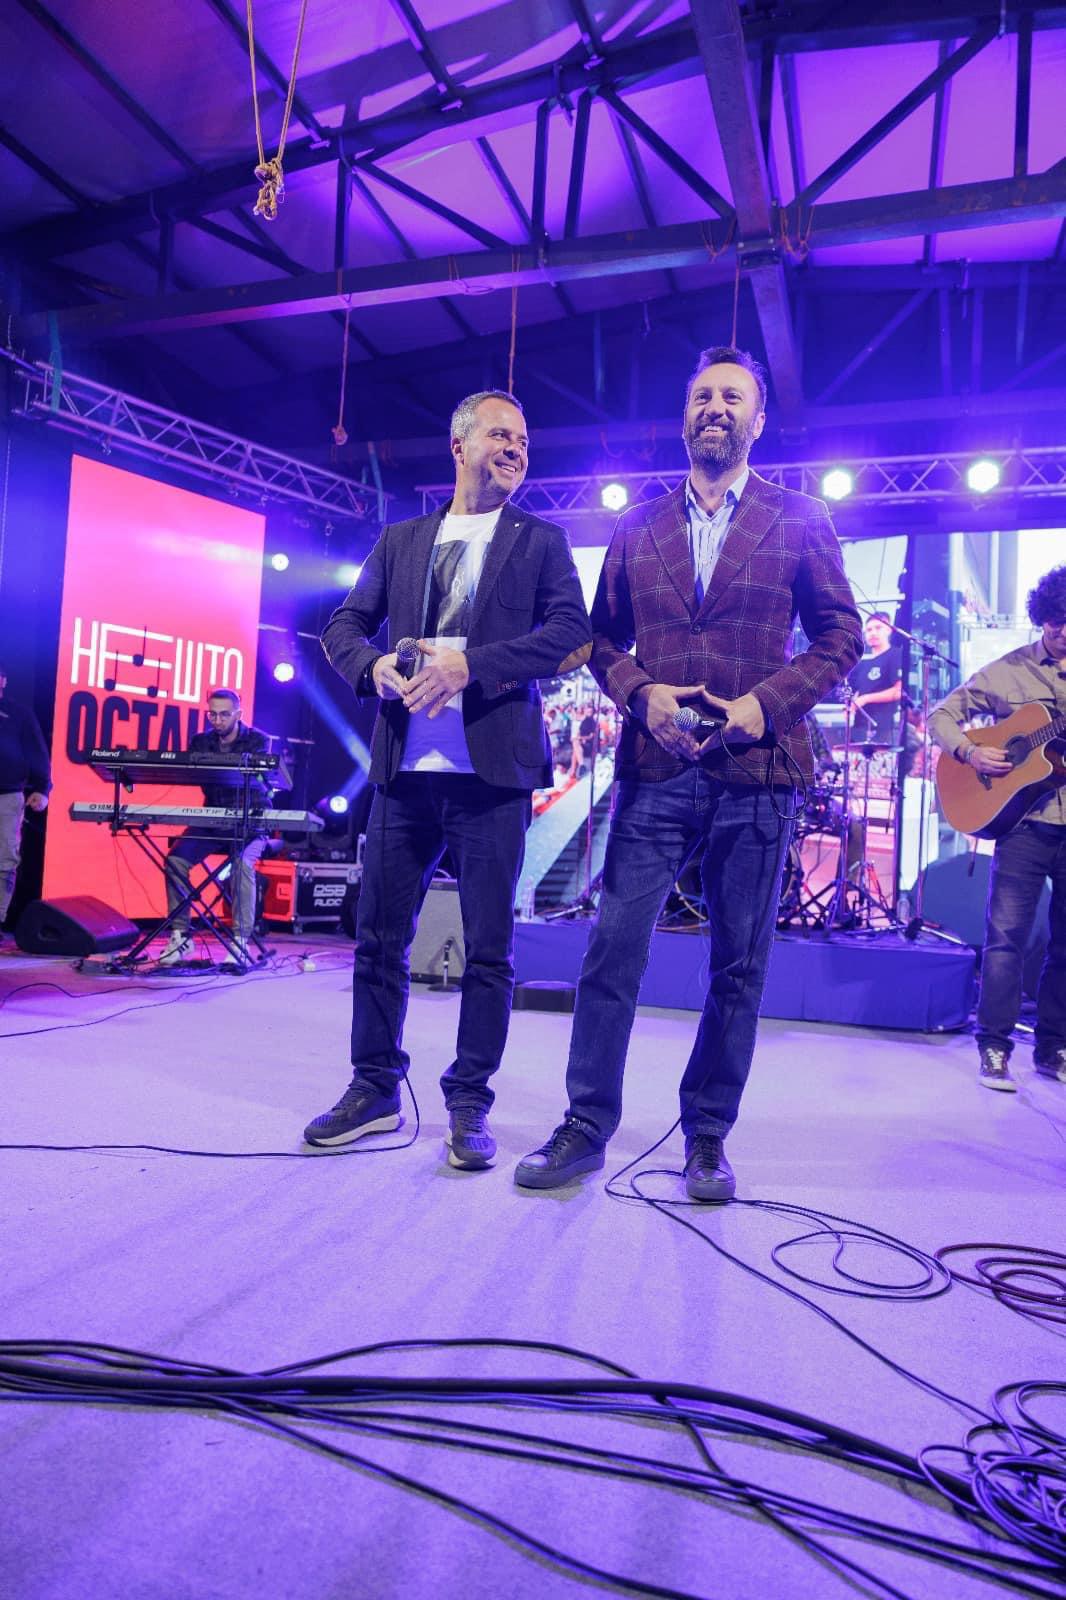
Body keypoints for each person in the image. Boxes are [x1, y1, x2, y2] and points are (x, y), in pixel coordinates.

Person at [515, 345, 862, 1199]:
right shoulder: (638, 525)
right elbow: (597, 638)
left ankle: (707, 1134)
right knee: (613, 950)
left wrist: (766, 705)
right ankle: (585, 1124)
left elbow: (841, 637)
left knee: (738, 966)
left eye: (733, 397)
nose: (716, 407)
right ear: (685, 417)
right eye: (703, 395)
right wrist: (640, 693)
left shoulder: (801, 516)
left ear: (758, 420)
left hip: (759, 771)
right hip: (655, 767)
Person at [302, 390, 592, 1167]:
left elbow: (571, 632)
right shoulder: (401, 540)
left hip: (491, 776)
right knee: (378, 940)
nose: (517, 447)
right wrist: (374, 669)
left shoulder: (540, 540)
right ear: (459, 446)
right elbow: (343, 626)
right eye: (501, 434)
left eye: (524, 439)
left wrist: (472, 665)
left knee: (489, 951)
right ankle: (374, 1087)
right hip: (403, 772)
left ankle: (469, 1102)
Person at [928, 566, 1066, 1093]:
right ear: (1042, 618)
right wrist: (970, 751)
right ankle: (994, 1047)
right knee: (1006, 940)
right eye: (1054, 622)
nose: (1063, 633)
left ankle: (1053, 1048)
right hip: (1024, 827)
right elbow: (942, 715)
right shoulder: (1010, 671)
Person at [159, 687, 270, 971]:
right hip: (212, 820)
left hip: (250, 822)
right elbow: (192, 773)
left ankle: (240, 940)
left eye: (224, 715)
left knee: (242, 866)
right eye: (212, 715)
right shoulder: (200, 742)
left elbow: (260, 778)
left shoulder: (258, 740)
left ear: (238, 714)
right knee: (176, 860)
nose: (217, 720)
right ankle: (181, 936)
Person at [0, 662, 51, 942]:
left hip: (7, 797)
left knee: (4, 861)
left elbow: (37, 753)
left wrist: (42, 788)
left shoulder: (19, 714)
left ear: (3, 681)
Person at [846, 612, 903, 745]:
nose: (873, 633)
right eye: (869, 630)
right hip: (858, 728)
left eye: (878, 628)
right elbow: (856, 692)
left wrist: (865, 699)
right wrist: (850, 705)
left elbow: (899, 691)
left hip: (883, 727)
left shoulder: (895, 655)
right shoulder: (862, 662)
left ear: (889, 630)